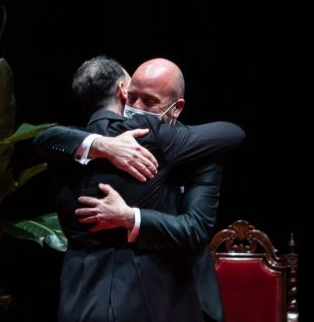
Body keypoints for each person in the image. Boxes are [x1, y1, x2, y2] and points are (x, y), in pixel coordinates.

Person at [35, 56, 244, 322]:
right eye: (132, 97)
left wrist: (130, 217)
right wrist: (105, 146)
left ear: (177, 108)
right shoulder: (89, 142)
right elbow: (45, 138)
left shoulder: (197, 148)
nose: (136, 108)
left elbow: (196, 229)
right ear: (123, 91)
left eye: (149, 101)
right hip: (111, 292)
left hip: (175, 290)